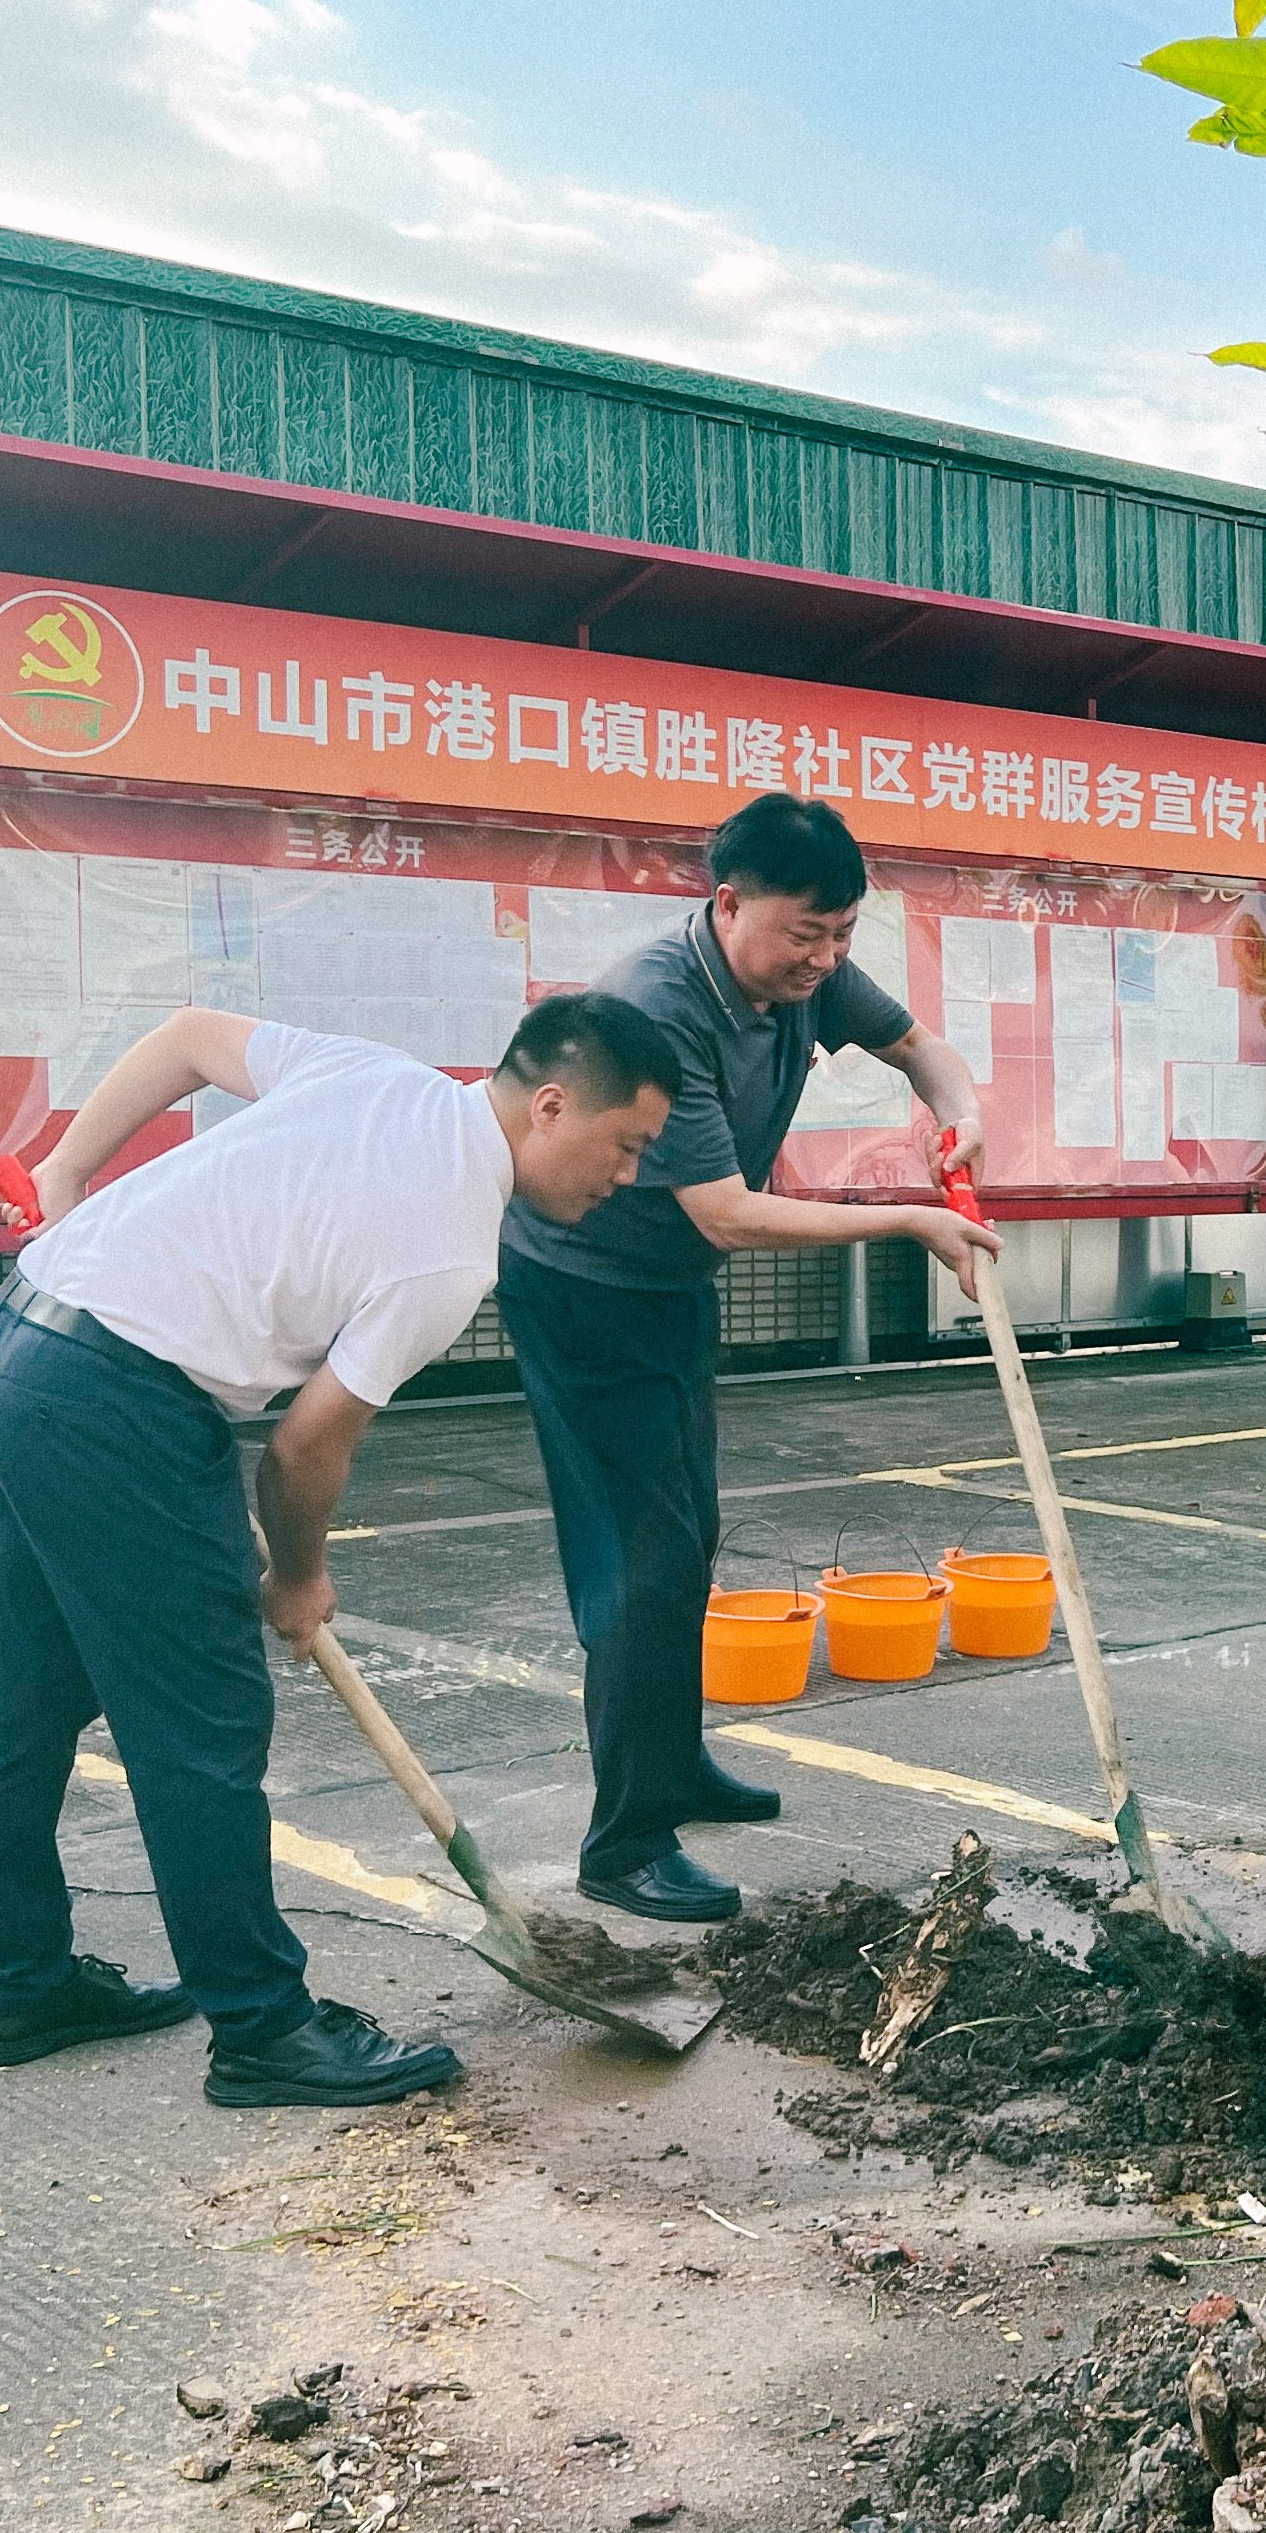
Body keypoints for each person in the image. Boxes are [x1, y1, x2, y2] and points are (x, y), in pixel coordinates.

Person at [0, 995, 680, 2107]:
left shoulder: (373, 1074)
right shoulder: (449, 1248)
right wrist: (299, 1577)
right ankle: (262, 2030)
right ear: (548, 1107)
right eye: (625, 1146)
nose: (625, 1176)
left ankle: (22, 1985)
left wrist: (64, 1168)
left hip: (16, 1341)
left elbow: (190, 1036)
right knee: (200, 1725)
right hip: (114, 1402)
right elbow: (303, 1449)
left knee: (24, 1691)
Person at [498, 795, 998, 1926]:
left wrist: (959, 1110)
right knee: (640, 1563)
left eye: (842, 938)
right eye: (802, 936)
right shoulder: (659, 1005)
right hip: (582, 1290)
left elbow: (915, 1047)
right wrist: (908, 1218)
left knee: (689, 1537)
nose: (823, 962)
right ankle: (624, 1843)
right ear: (727, 905)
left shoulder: (799, 973)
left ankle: (672, 1765)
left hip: (667, 1287)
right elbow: (725, 1211)